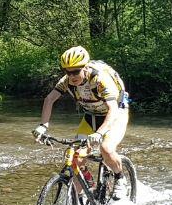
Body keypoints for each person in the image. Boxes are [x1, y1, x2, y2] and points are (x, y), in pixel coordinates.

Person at [34, 46, 131, 183]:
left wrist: (99, 133)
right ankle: (81, 196)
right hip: (91, 115)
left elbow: (113, 109)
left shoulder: (100, 80)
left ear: (85, 67)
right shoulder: (66, 81)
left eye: (75, 71)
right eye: (67, 72)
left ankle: (120, 179)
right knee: (75, 159)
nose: (72, 76)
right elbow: (49, 99)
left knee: (106, 149)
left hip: (115, 114)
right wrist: (43, 126)